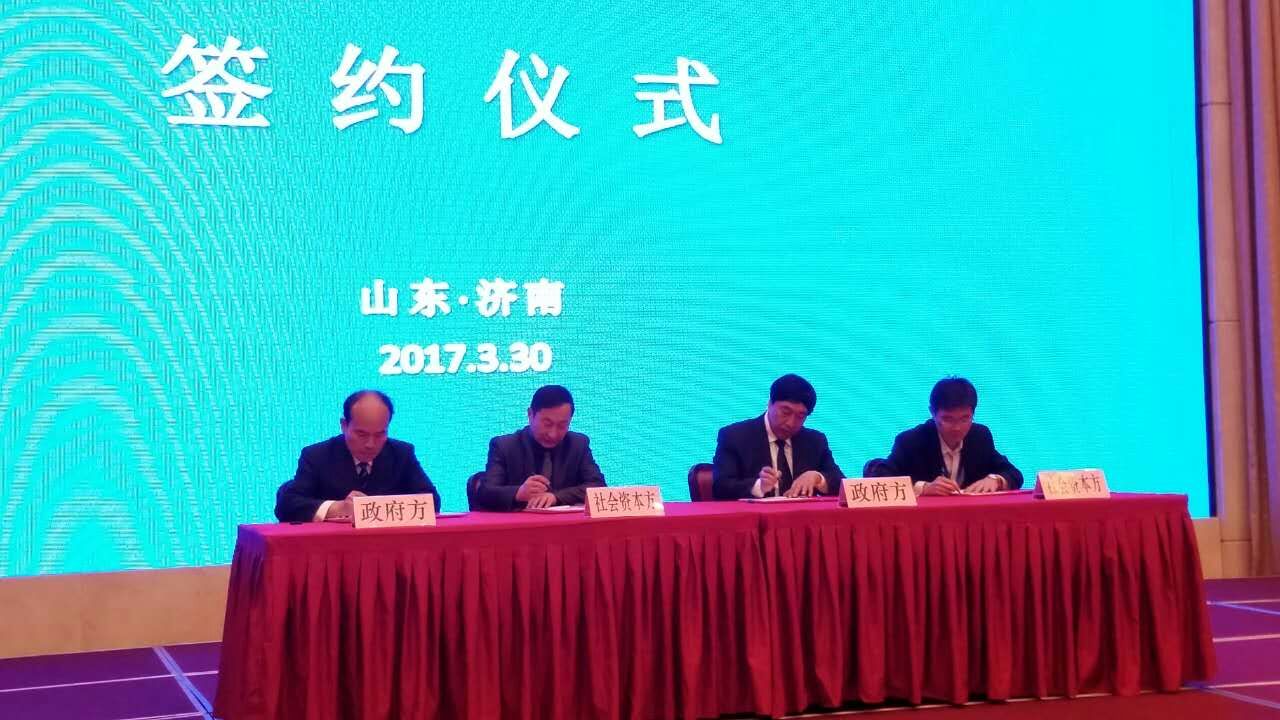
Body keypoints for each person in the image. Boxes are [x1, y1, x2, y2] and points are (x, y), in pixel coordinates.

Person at [274, 390, 441, 522]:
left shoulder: (402, 453)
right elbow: (287, 505)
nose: (370, 444)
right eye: (362, 434)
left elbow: (432, 502)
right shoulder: (317, 456)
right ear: (344, 425)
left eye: (379, 434)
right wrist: (338, 508)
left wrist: (376, 508)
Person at [882, 377, 1023, 495]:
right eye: (948, 419)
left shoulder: (979, 437)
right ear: (932, 413)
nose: (957, 428)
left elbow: (1014, 474)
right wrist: (923, 488)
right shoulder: (912, 441)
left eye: (965, 419)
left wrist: (996, 480)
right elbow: (879, 476)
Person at [712, 374, 845, 499]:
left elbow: (843, 485)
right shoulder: (735, 437)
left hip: (803, 515)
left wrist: (818, 478)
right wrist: (758, 486)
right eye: (785, 412)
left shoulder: (815, 441)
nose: (791, 423)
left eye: (800, 416)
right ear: (770, 404)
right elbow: (720, 487)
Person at [474, 385, 606, 510]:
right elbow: (486, 492)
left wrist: (556, 497)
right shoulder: (504, 446)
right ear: (530, 414)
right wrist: (518, 493)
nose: (553, 434)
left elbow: (598, 487)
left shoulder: (578, 444)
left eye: (562, 425)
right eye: (547, 424)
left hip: (565, 524)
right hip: (519, 524)